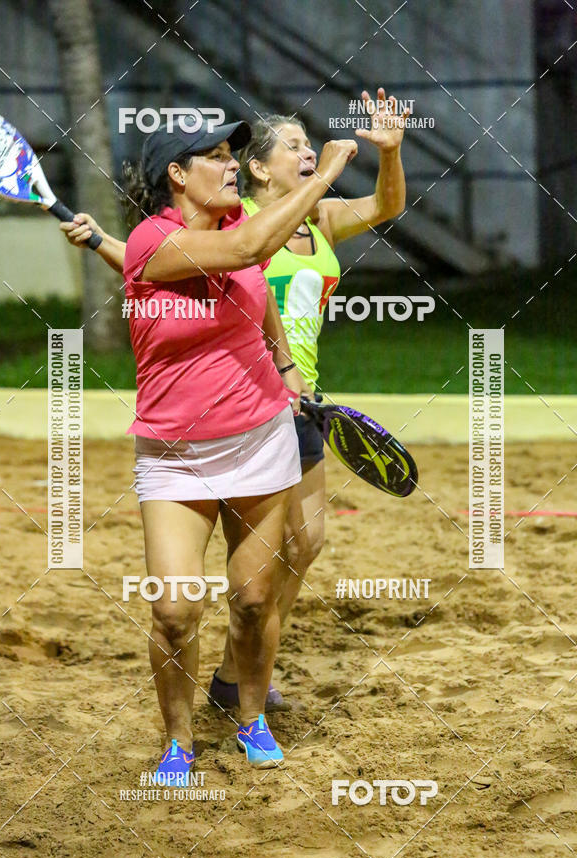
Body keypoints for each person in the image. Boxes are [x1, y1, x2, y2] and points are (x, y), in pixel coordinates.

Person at [60, 88, 406, 715]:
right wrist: (105, 242)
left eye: (310, 145)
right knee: (215, 585)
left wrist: (388, 153)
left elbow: (384, 207)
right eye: (294, 146)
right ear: (259, 169)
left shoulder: (310, 219)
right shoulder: (232, 219)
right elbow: (173, 262)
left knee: (303, 547)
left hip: (294, 399)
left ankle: (234, 670)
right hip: (225, 414)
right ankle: (231, 682)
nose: (308, 152)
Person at [88, 114, 357, 779]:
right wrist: (323, 173)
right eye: (215, 156)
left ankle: (251, 717)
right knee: (174, 610)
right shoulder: (154, 240)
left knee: (255, 600)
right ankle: (179, 741)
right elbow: (245, 252)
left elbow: (255, 287)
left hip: (261, 438)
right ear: (177, 175)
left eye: (234, 154)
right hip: (176, 453)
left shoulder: (236, 224)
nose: (233, 164)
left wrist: (285, 364)